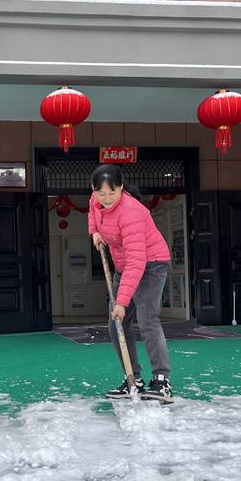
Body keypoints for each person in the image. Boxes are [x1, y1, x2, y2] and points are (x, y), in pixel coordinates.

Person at [88, 163, 173, 404]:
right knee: (116, 324)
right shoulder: (97, 200)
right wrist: (95, 231)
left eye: (112, 193)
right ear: (94, 189)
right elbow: (93, 210)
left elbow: (137, 261)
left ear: (121, 187)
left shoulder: (131, 212)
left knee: (147, 319)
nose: (106, 198)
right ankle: (132, 379)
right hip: (124, 265)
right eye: (101, 193)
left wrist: (122, 302)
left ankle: (162, 380)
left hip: (150, 263)